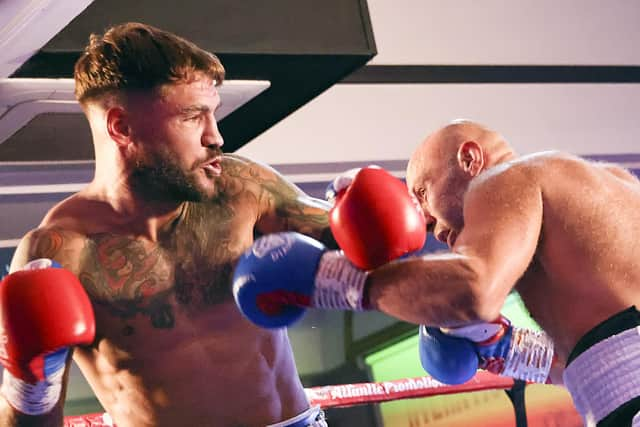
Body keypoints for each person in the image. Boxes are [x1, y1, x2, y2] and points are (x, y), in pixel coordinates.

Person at [0, 22, 340, 427]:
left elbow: (359, 248)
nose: (216, 137)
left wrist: (370, 215)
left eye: (212, 113)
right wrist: (31, 383)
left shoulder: (241, 187)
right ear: (121, 128)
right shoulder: (61, 251)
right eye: (192, 117)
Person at [234, 119, 640, 427]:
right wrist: (507, 349)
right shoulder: (616, 189)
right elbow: (611, 351)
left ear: (469, 159)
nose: (426, 221)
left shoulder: (506, 179)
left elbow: (473, 291)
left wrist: (331, 279)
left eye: (422, 193)